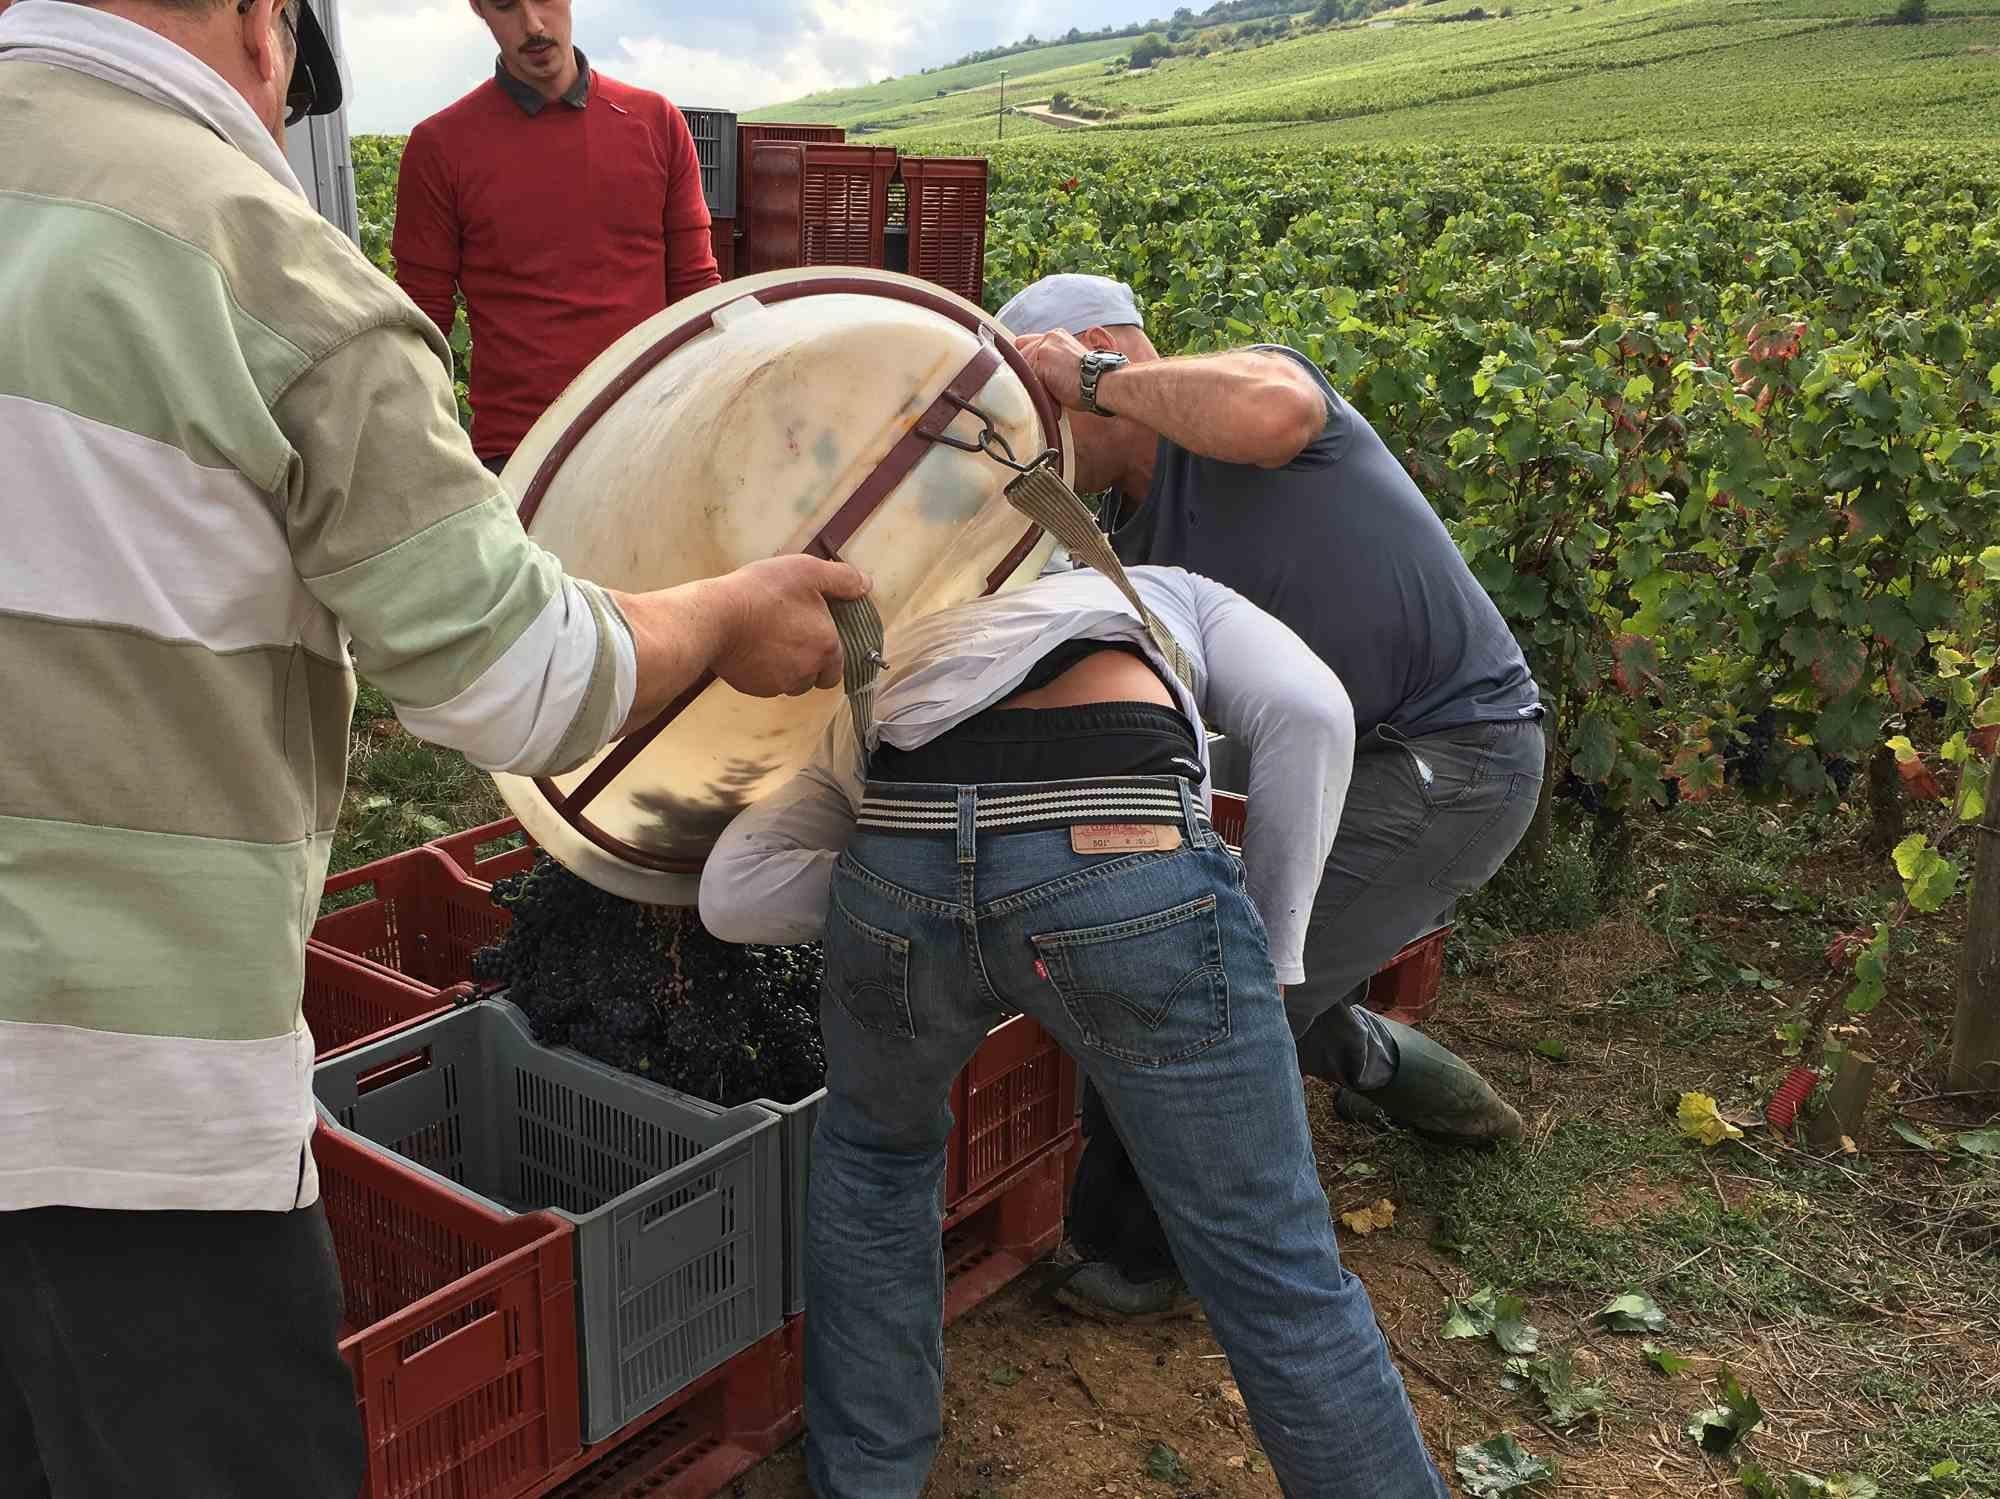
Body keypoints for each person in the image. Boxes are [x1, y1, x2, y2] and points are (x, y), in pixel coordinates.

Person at [0, 2, 863, 1493]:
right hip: (128, 1105)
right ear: (268, 32)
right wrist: (725, 617)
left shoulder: (647, 128)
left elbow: (704, 303)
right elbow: (515, 678)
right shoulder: (264, 265)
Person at [700, 564, 1449, 1499]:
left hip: (900, 832)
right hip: (1118, 829)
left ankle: (865, 1481)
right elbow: (1309, 714)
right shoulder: (1162, 584)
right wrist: (1266, 957)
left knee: (875, 1158)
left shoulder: (904, 632)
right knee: (1266, 1256)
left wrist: (906, 903)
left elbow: (729, 891)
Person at [998, 273, 1546, 1317]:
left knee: (1205, 996)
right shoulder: (1138, 533)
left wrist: (1093, 378)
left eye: (1036, 395)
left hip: (1449, 758)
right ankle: (1421, 1085)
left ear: (1103, 348)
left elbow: (1275, 409)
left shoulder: (1246, 400)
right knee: (1232, 960)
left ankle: (1146, 1257)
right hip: (1338, 758)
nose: (1037, 428)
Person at [393, 0, 720, 474]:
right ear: (479, 8)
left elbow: (696, 292)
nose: (532, 25)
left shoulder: (655, 122)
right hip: (523, 456)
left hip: (652, 437)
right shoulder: (440, 148)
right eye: (506, 6)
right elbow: (422, 325)